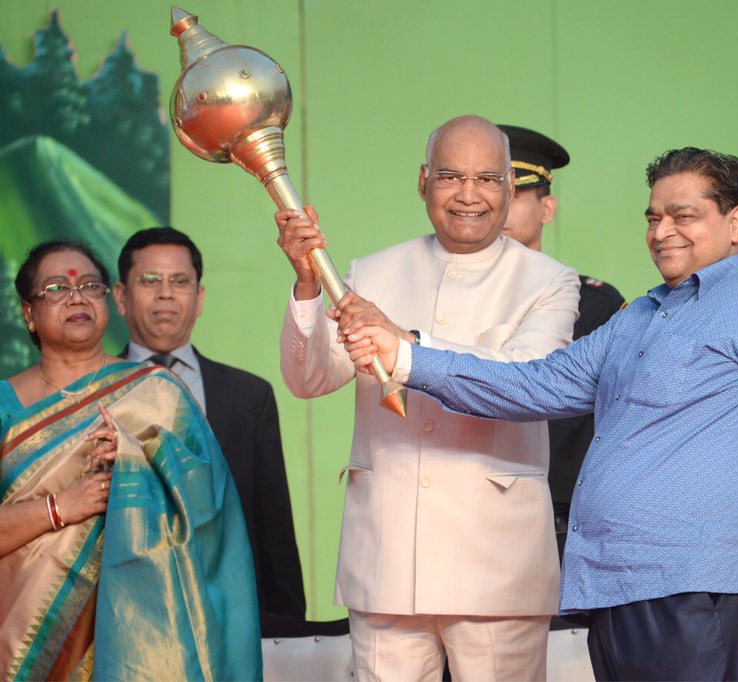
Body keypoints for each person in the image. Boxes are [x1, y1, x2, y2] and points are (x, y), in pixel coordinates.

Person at [343, 147, 738, 681]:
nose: (662, 232)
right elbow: (532, 384)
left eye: (683, 216)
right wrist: (406, 354)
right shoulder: (638, 317)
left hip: (706, 587)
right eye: (653, 218)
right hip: (616, 588)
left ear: (735, 224)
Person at [276, 114, 580, 680]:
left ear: (509, 188)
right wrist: (308, 284)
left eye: (487, 179)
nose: (468, 195)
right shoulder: (371, 271)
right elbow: (309, 379)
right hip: (386, 556)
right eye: (450, 176)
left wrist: (405, 344)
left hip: (498, 566)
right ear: (423, 183)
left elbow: (526, 381)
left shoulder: (549, 281)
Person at [0, 240, 260, 680]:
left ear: (108, 301)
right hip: (21, 644)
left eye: (90, 286)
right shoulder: (5, 406)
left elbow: (211, 517)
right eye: (57, 288)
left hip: (138, 639)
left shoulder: (157, 392)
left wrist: (138, 462)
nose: (77, 297)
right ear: (28, 312)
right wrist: (60, 508)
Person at [114, 226, 305, 619]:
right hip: (122, 611)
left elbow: (274, 528)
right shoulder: (91, 393)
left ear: (199, 298)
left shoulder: (249, 396)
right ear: (120, 297)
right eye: (149, 280)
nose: (165, 293)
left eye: (180, 281)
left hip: (227, 611)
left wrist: (287, 626)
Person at [498, 123, 625, 559]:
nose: (499, 206)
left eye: (515, 194)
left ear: (547, 208)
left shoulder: (594, 305)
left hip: (561, 521)